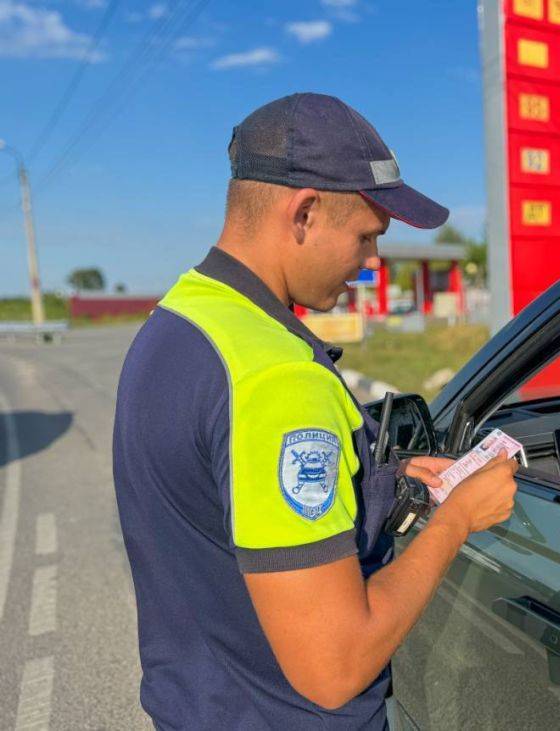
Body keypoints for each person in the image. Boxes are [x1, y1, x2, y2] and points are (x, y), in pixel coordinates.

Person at [113, 93, 519, 729]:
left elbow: (225, 504)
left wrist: (384, 485)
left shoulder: (182, 323)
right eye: (366, 237)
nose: (371, 263)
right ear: (303, 213)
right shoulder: (278, 379)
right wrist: (456, 522)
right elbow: (335, 665)